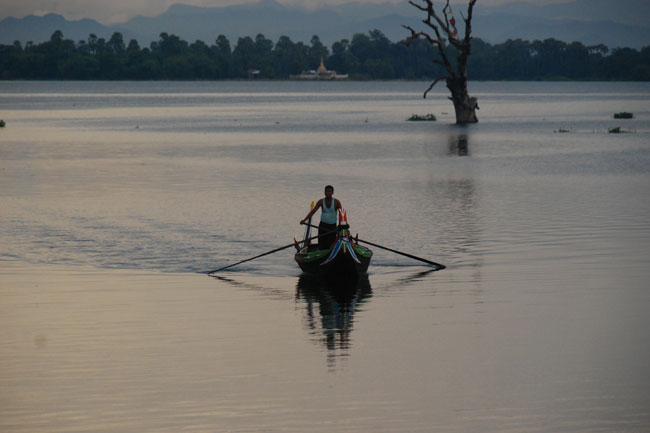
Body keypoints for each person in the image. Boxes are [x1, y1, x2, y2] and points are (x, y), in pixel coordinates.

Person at [300, 185, 342, 250]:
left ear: (332, 192)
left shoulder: (337, 202)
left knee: (330, 244)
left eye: (329, 191)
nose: (328, 193)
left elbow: (341, 214)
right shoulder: (321, 201)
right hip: (322, 226)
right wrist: (304, 219)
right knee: (322, 244)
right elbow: (313, 211)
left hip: (332, 227)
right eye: (326, 191)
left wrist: (341, 226)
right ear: (324, 192)